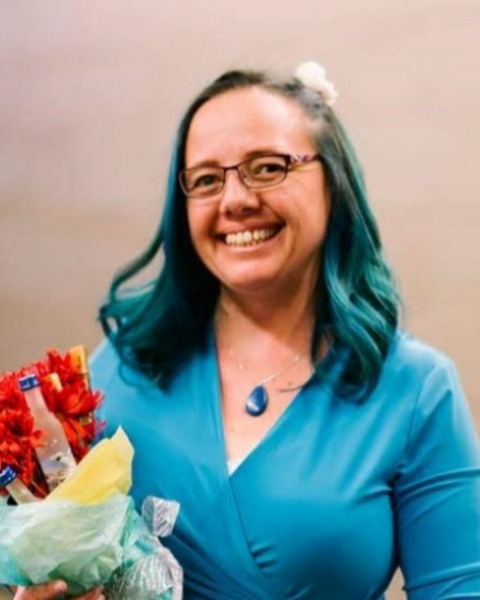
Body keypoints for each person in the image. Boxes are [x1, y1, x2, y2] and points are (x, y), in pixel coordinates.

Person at [16, 62, 480, 599]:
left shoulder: (414, 389)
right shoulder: (125, 367)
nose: (235, 200)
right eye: (206, 180)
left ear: (333, 182)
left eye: (266, 168)